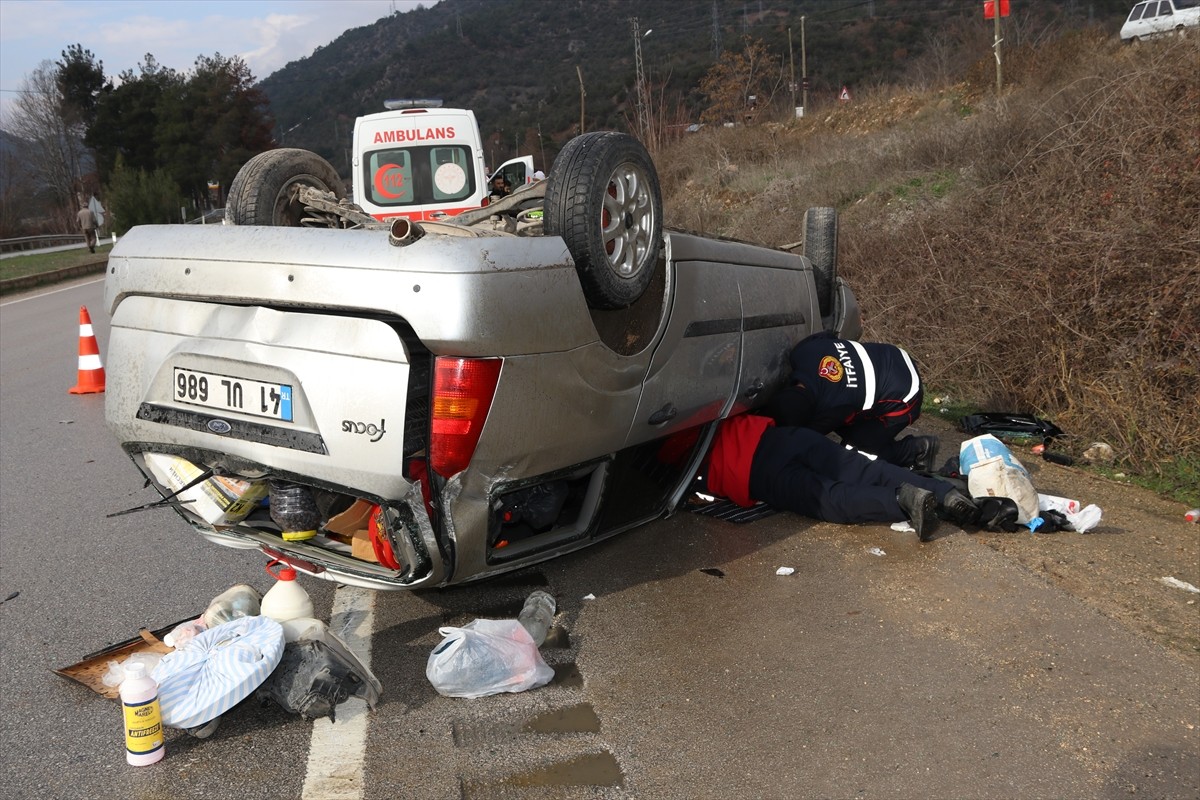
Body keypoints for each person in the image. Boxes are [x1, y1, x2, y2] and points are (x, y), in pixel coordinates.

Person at [704, 413, 977, 542]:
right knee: (866, 469)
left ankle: (903, 501)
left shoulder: (668, 445)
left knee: (830, 498)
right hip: (778, 436)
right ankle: (943, 492)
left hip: (751, 470)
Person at [769, 331, 937, 471]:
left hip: (907, 394)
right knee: (850, 427)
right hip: (893, 355)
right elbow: (829, 335)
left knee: (856, 456)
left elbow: (807, 437)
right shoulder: (802, 351)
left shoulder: (835, 405)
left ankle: (918, 449)